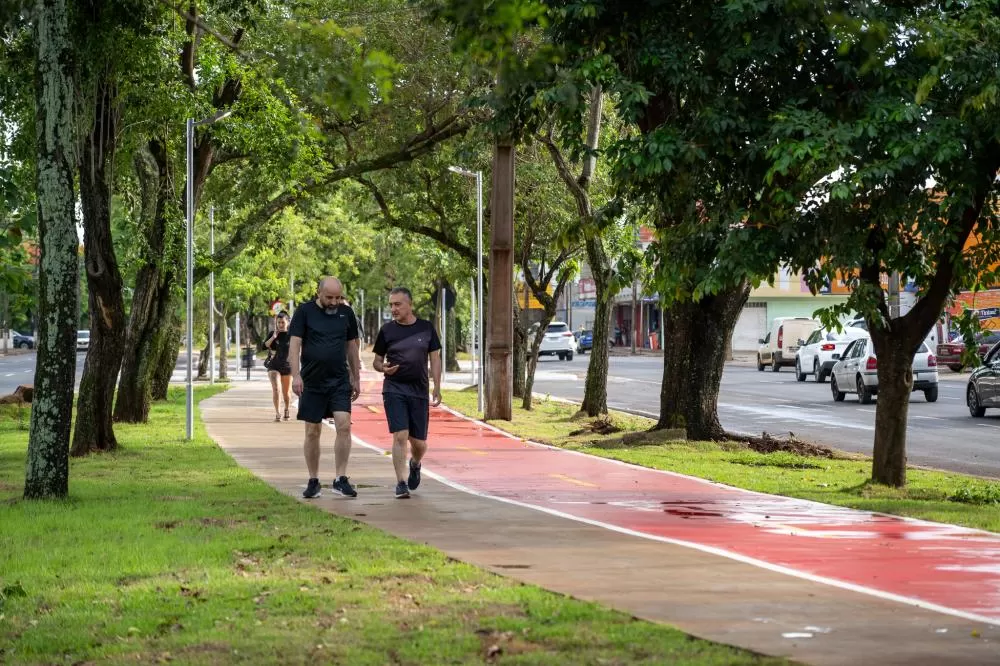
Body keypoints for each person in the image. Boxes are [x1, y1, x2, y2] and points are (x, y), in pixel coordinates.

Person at [288, 277, 362, 499]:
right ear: (318, 293)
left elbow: (352, 347)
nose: (334, 302)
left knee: (344, 425)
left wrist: (356, 377)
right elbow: (294, 345)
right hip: (312, 381)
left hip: (339, 380)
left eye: (338, 297)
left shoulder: (346, 313)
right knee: (312, 431)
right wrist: (296, 376)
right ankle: (313, 480)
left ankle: (341, 478)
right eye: (329, 297)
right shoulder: (304, 312)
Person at [372, 287, 442, 499]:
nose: (393, 309)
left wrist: (437, 386)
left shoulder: (426, 328)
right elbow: (376, 361)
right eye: (391, 305)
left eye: (397, 304)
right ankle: (401, 482)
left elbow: (435, 359)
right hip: (394, 388)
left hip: (418, 390)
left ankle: (415, 463)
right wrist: (382, 368)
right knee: (400, 435)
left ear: (409, 304)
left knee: (419, 443)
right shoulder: (386, 331)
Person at [264, 311, 293, 421]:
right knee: (276, 389)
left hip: (287, 367)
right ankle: (277, 413)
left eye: (282, 322)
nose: (280, 325)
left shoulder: (292, 335)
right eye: (278, 322)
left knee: (287, 393)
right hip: (274, 366)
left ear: (288, 322)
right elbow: (264, 346)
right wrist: (273, 337)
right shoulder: (273, 333)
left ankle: (286, 409)